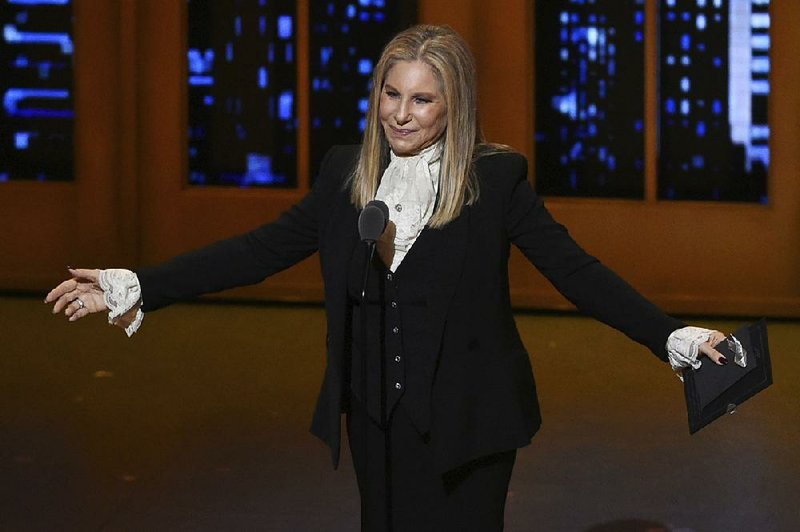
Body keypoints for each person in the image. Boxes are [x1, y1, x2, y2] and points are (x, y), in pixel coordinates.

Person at [45, 24, 728, 532]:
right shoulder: (346, 173)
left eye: (422, 100)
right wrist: (134, 283)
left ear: (452, 106)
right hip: (377, 415)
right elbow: (254, 251)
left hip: (470, 419)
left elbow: (578, 273)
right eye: (391, 93)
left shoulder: (495, 180)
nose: (401, 114)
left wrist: (671, 336)